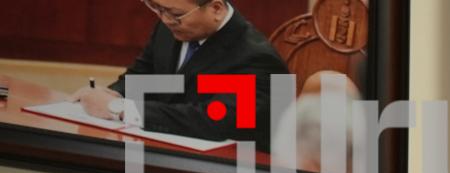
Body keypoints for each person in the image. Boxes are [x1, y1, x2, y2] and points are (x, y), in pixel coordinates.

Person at [65, 0, 290, 144]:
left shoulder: (256, 58)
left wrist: (121, 109)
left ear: (216, 9)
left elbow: (216, 120)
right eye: (156, 7)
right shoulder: (170, 27)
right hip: (161, 147)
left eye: (174, 13)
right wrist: (110, 95)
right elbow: (143, 76)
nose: (165, 19)